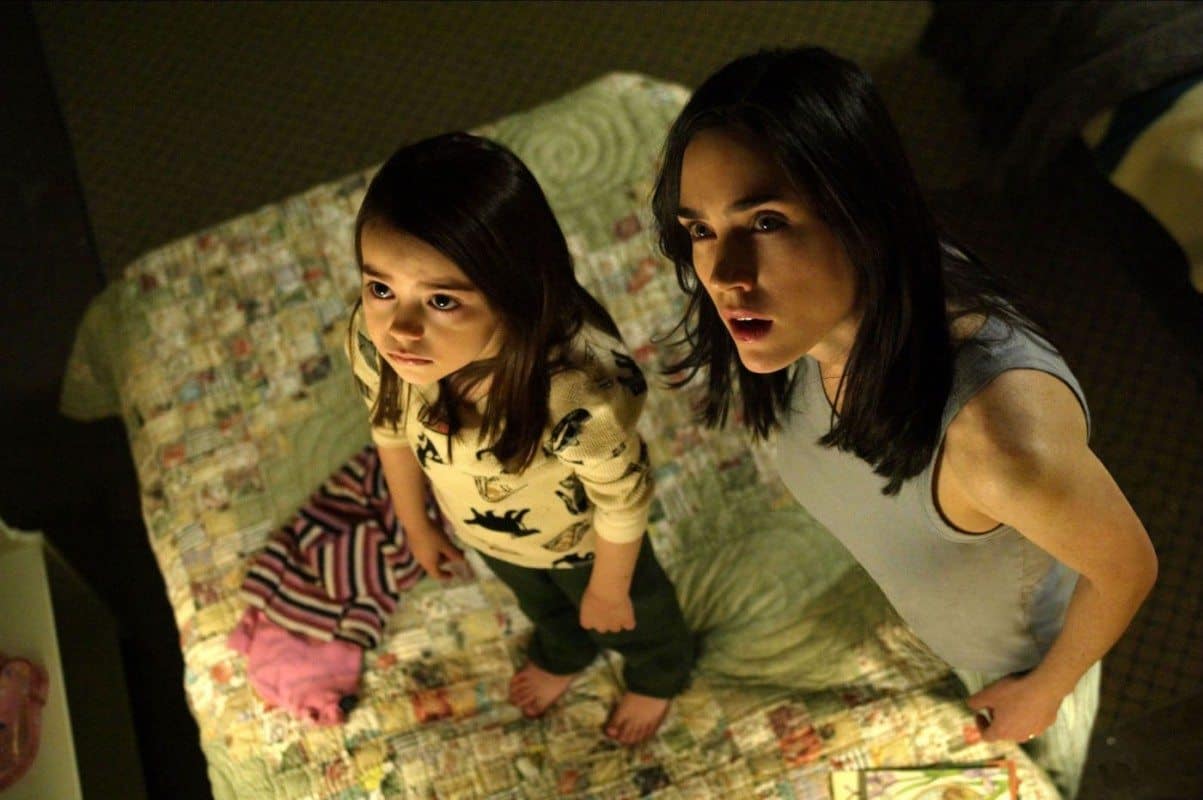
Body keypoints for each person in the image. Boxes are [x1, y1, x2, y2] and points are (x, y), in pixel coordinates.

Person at [650, 47, 1156, 797]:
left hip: (1016, 659)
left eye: (766, 221)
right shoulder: (796, 317)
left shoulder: (997, 443)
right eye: (699, 229)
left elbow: (1126, 567)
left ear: (865, 216)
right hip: (937, 617)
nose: (723, 276)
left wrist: (1046, 691)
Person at [344, 132, 693, 745]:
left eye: (442, 300)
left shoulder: (574, 396)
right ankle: (566, 650)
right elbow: (390, 429)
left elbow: (624, 497)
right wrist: (417, 524)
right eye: (380, 289)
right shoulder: (380, 348)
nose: (400, 328)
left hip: (589, 546)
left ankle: (660, 672)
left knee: (638, 615)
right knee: (543, 607)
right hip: (489, 533)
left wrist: (610, 586)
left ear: (515, 293)